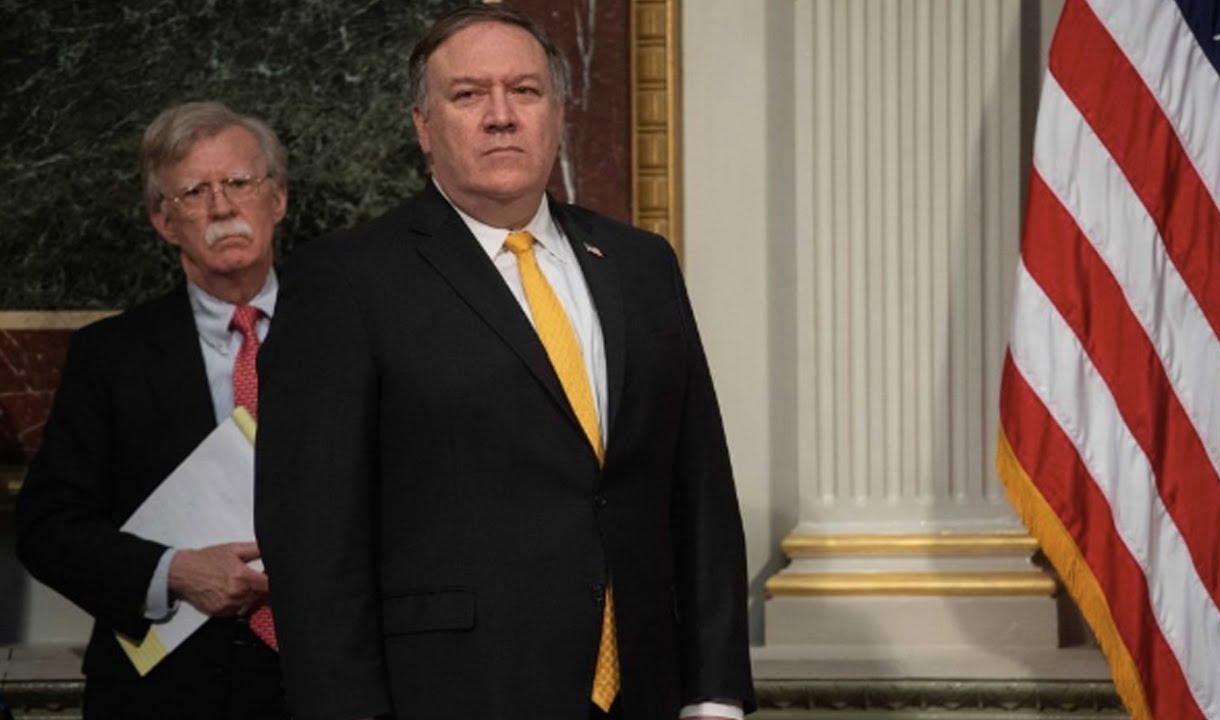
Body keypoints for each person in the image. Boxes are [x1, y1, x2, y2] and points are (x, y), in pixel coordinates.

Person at [255, 4, 754, 720]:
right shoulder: (345, 280)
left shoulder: (640, 264)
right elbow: (312, 541)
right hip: (453, 694)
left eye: (524, 91)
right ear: (423, 125)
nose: (501, 116)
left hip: (646, 691)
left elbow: (698, 485)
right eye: (468, 95)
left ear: (558, 112)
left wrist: (715, 691)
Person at [17, 101, 289, 720]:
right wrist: (173, 571)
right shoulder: (109, 356)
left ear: (277, 199)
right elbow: (47, 527)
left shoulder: (350, 332)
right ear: (164, 222)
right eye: (195, 192)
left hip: (324, 682)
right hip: (167, 693)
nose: (221, 207)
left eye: (239, 182)